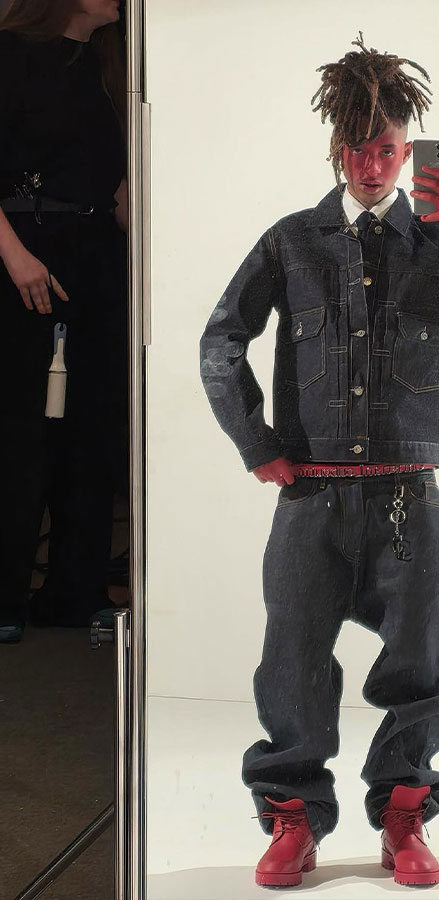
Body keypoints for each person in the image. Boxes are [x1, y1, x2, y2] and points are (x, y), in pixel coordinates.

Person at [200, 34, 439, 888]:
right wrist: (256, 445)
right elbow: (222, 340)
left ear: (407, 148)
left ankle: (405, 817)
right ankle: (292, 819)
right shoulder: (294, 240)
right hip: (309, 495)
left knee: (426, 660)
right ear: (336, 150)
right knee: (293, 664)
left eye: (386, 149)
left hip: (410, 495)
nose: (372, 166)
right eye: (356, 150)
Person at [0, 0, 128, 644]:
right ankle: (5, 595)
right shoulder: (10, 55)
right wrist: (15, 255)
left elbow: (115, 188)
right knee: (19, 426)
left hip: (96, 256)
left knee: (93, 423)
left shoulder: (112, 66)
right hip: (24, 249)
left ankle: (74, 593)